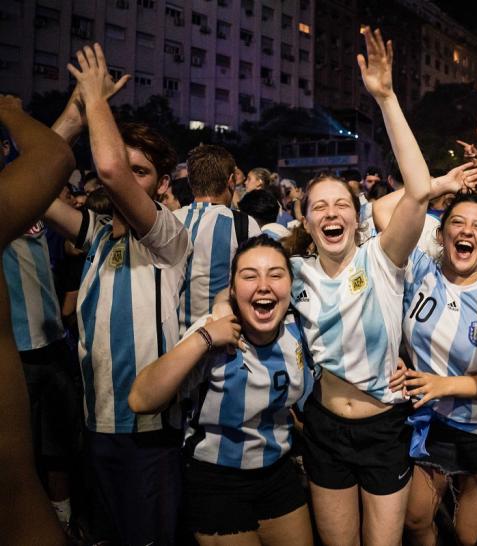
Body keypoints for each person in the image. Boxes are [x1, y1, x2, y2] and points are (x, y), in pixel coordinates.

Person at [288, 27, 431, 546]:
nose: (331, 212)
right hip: (322, 430)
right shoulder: (295, 273)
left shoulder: (381, 258)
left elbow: (418, 190)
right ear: (304, 220)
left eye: (341, 204)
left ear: (357, 217)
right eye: (319, 206)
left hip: (382, 429)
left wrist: (387, 99)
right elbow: (240, 294)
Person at [46, 44, 190, 544]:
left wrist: (95, 98)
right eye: (127, 168)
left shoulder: (169, 236)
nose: (126, 179)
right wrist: (73, 117)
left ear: (163, 184)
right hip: (97, 426)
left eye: (141, 173)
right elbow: (29, 185)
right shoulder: (99, 232)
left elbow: (108, 169)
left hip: (147, 435)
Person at [129, 236, 314, 545]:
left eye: (276, 274)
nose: (264, 285)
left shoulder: (298, 329)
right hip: (216, 480)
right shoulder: (212, 330)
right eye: (250, 275)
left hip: (277, 473)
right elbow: (140, 399)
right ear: (232, 287)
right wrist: (205, 337)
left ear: (290, 285)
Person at [384, 191, 477, 546]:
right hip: (430, 424)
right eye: (457, 222)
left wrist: (444, 385)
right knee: (414, 520)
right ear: (441, 235)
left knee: (468, 538)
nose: (467, 231)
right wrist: (439, 183)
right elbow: (381, 211)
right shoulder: (419, 271)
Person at [0, 94, 75, 545]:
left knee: (59, 447)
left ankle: (65, 516)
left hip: (50, 343)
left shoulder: (14, 197)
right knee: (23, 469)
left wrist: (73, 115)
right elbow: (51, 156)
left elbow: (48, 158)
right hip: (21, 356)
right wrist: (10, 111)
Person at [175, 144, 261, 337]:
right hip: (223, 341)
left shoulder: (170, 221)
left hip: (173, 343)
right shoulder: (243, 224)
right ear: (231, 181)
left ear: (191, 181)